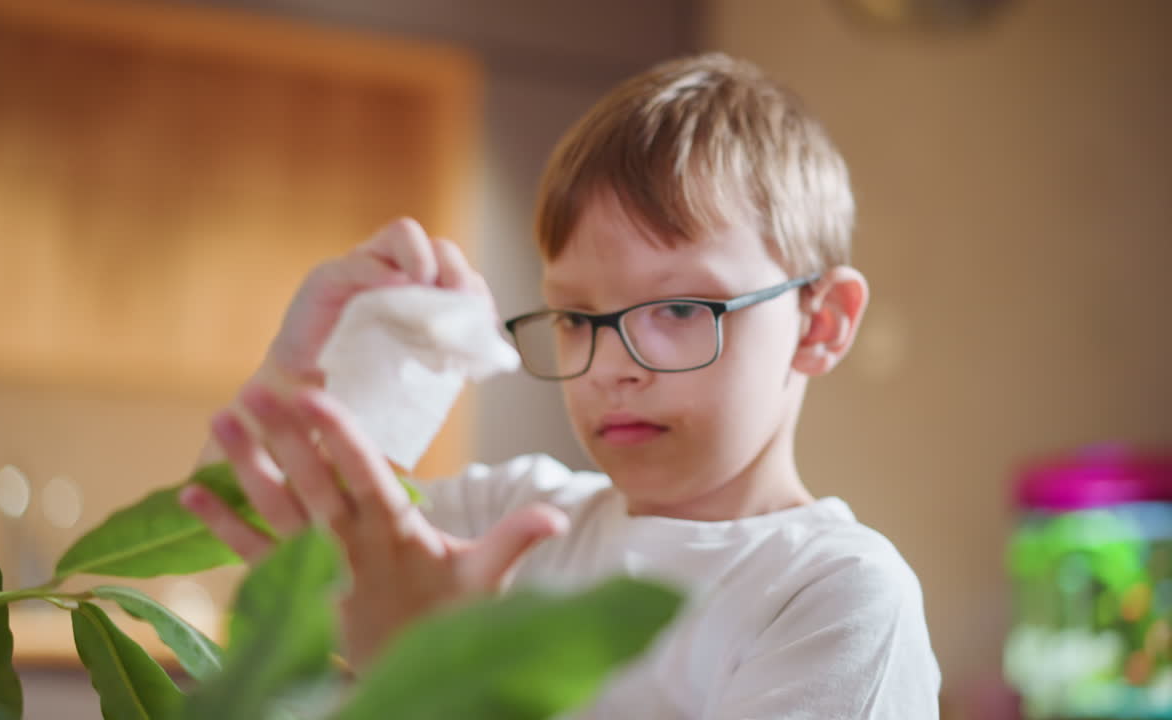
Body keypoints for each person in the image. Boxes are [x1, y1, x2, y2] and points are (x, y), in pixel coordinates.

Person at [179, 52, 941, 719]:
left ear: (821, 323)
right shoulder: (514, 517)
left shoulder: (835, 594)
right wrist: (302, 364)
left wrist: (434, 678)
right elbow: (244, 509)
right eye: (577, 316)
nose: (612, 365)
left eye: (679, 307)